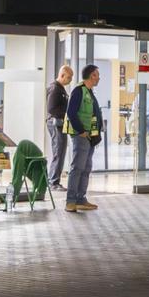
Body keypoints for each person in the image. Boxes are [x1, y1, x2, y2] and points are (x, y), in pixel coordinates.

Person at [64, 64, 103, 212]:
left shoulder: (89, 92)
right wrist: (80, 131)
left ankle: (81, 199)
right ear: (91, 76)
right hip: (81, 136)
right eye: (97, 75)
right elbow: (71, 112)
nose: (99, 78)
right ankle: (70, 201)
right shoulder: (79, 91)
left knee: (86, 168)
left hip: (90, 137)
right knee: (77, 168)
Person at [45, 65, 73, 190]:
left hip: (59, 123)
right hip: (56, 124)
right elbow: (51, 109)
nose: (70, 80)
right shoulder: (55, 89)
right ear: (62, 75)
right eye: (69, 77)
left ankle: (53, 180)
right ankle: (53, 182)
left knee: (60, 152)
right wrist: (66, 115)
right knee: (58, 151)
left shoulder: (60, 88)